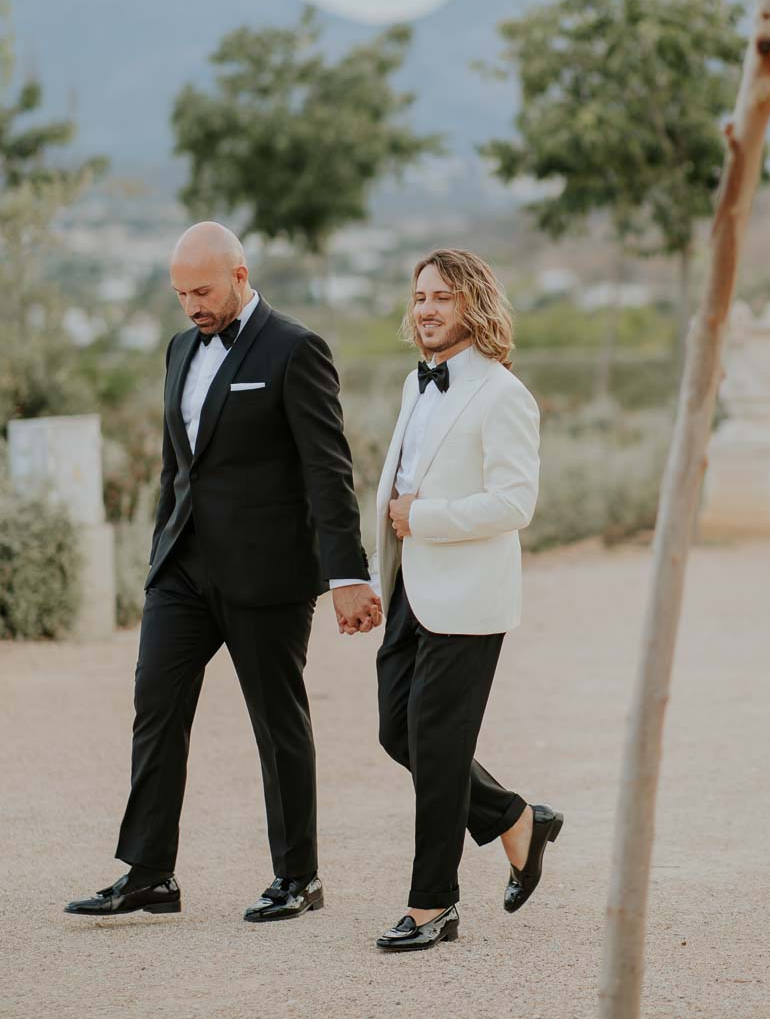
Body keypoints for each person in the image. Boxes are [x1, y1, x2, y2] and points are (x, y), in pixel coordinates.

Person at [65, 221, 381, 923]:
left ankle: (299, 876)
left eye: (202, 290)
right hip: (182, 568)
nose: (191, 307)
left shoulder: (297, 349)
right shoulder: (180, 349)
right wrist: (156, 558)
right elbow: (176, 466)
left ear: (240, 274)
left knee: (277, 723)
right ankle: (149, 873)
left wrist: (346, 575)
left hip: (265, 572)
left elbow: (328, 472)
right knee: (156, 705)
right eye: (180, 293)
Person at [370, 247, 562, 951]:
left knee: (439, 744)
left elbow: (516, 501)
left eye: (441, 297)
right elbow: (392, 490)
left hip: (468, 599)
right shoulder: (413, 385)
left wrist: (423, 517)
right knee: (400, 733)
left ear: (473, 305)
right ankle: (515, 818)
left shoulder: (503, 395)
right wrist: (373, 572)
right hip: (406, 591)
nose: (425, 308)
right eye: (419, 295)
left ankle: (432, 905)